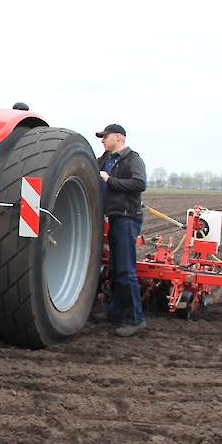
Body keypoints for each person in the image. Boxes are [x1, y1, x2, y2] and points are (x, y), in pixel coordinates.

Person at [97, 124, 147, 337]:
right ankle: (116, 314)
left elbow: (139, 183)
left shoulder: (132, 159)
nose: (102, 140)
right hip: (115, 217)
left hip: (127, 218)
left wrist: (111, 181)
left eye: (105, 136)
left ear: (118, 137)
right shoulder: (104, 159)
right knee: (116, 269)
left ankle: (136, 319)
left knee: (126, 270)